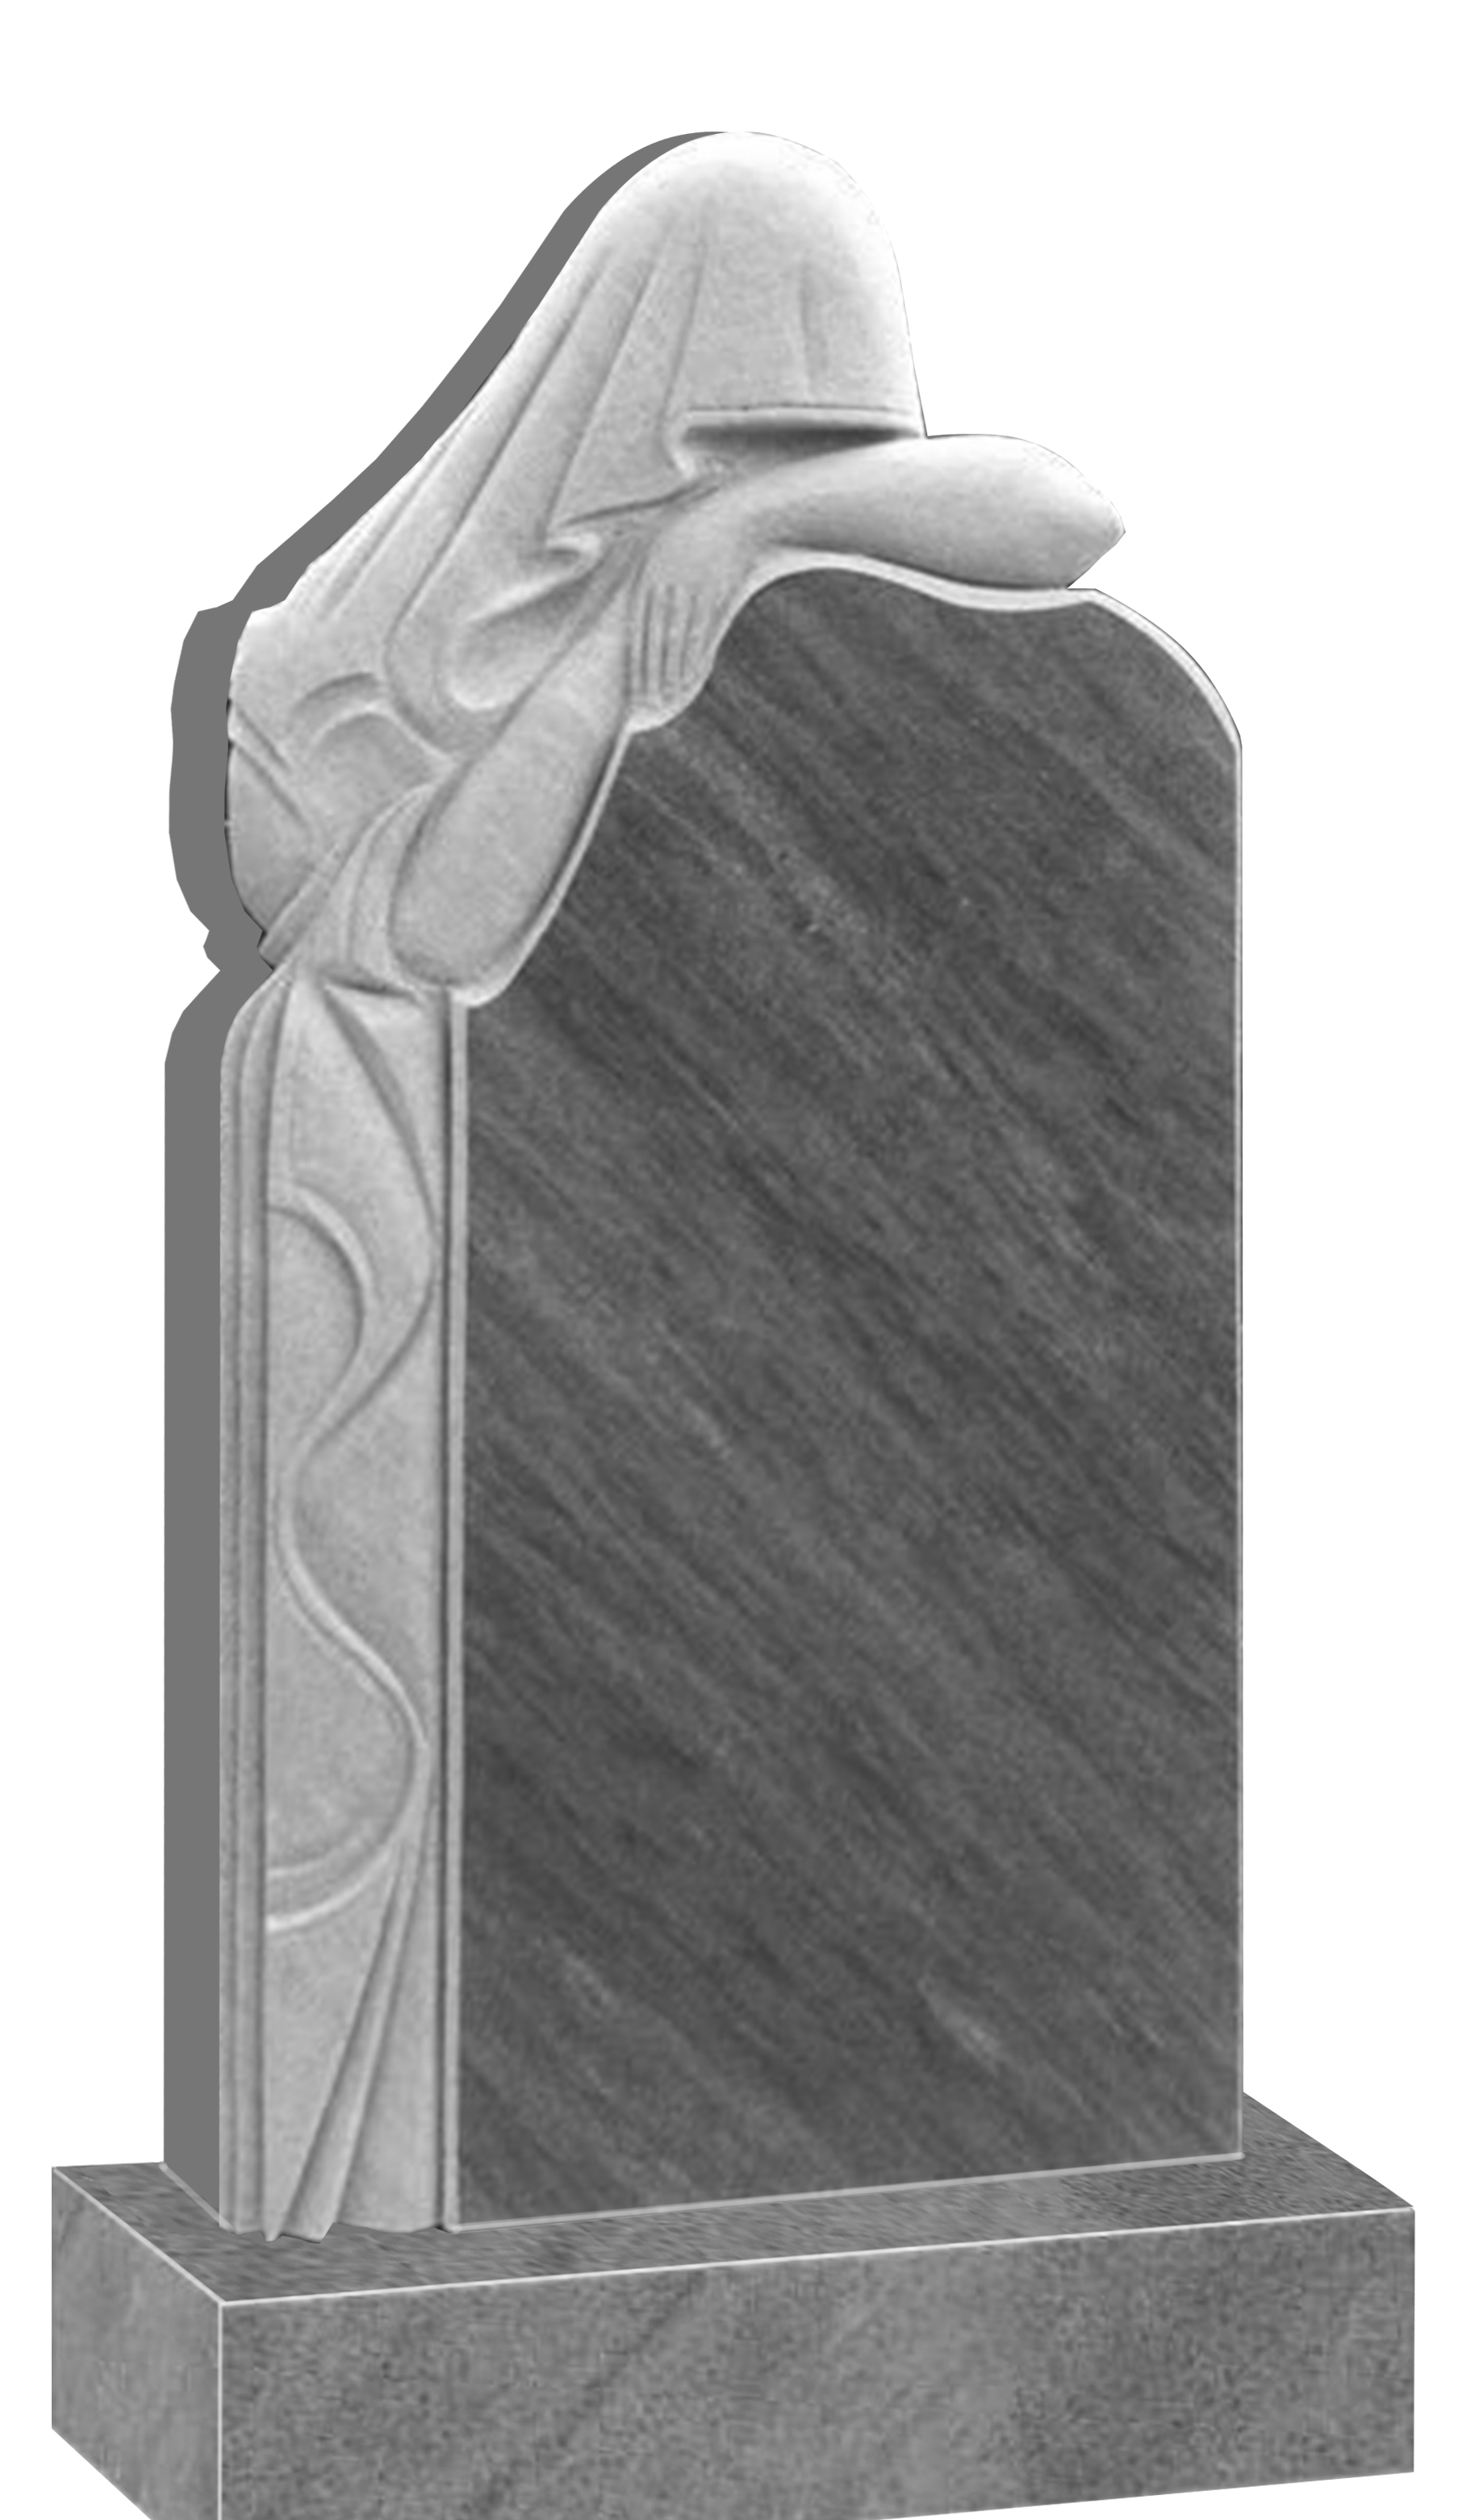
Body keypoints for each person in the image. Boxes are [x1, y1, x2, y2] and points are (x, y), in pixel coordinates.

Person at [220, 134, 1122, 2241]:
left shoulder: (748, 567)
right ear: (660, 367)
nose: (850, 479)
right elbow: (422, 929)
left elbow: (1062, 513)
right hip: (411, 1243)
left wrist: (768, 520)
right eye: (779, 424)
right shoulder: (331, 663)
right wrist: (620, 635)